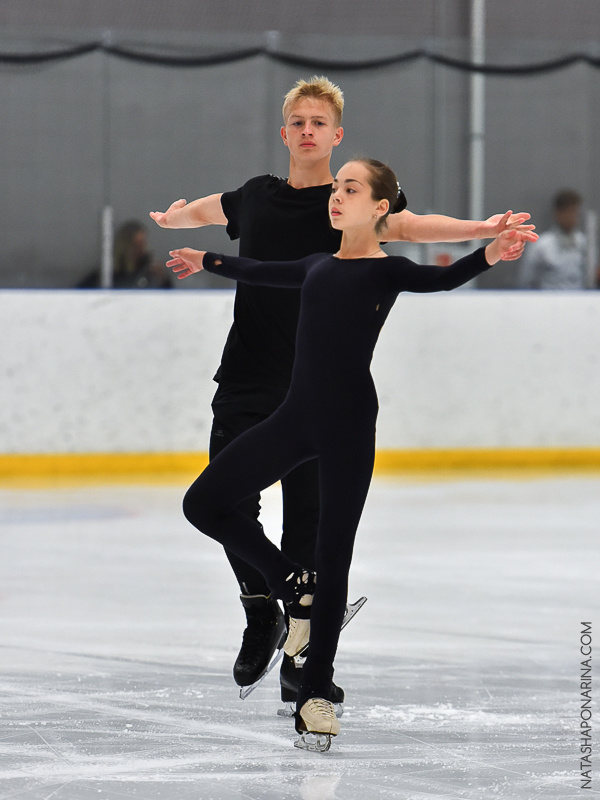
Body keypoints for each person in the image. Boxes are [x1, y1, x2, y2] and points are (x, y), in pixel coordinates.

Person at [150, 76, 536, 710]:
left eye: (317, 121)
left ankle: (305, 671)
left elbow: (411, 229)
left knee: (311, 528)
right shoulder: (256, 196)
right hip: (247, 376)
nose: (307, 129)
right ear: (285, 133)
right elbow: (208, 214)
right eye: (297, 120)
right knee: (227, 502)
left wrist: (481, 230)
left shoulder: (348, 204)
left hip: (311, 390)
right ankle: (263, 613)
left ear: (335, 135)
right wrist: (174, 218)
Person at [519, 189, 590, 290]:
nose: (571, 217)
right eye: (567, 212)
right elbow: (526, 281)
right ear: (557, 213)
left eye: (574, 212)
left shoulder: (584, 244)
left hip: (579, 301)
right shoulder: (542, 246)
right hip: (548, 301)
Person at [78, 220, 171, 289]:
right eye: (135, 246)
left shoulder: (150, 275)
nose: (140, 250)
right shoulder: (107, 276)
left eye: (142, 244)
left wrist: (163, 279)